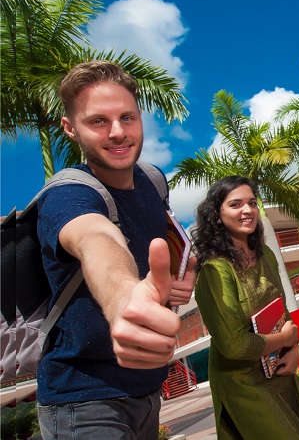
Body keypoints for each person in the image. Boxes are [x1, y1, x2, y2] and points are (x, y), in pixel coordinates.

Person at [36, 61, 196, 439]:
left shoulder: (154, 181)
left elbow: (154, 250)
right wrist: (124, 300)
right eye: (98, 122)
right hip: (82, 400)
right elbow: (96, 240)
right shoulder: (66, 194)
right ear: (70, 129)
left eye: (128, 117)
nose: (118, 132)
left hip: (147, 391)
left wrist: (172, 284)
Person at [192, 176, 299, 440]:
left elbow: (281, 312)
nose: (247, 210)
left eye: (252, 203)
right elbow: (234, 345)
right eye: (235, 204)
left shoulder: (265, 254)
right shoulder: (214, 270)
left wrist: (295, 348)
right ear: (217, 217)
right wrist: (285, 338)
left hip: (277, 368)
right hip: (242, 381)